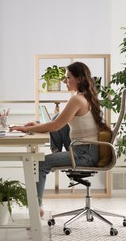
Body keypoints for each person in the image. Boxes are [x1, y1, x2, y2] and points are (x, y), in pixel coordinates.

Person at [10, 61, 111, 217]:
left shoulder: (77, 100)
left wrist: (26, 129)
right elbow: (60, 123)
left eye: (67, 77)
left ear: (78, 79)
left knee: (39, 164)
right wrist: (38, 125)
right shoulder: (84, 97)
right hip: (87, 150)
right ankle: (56, 155)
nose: (64, 81)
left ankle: (36, 210)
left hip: (84, 154)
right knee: (58, 120)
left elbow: (55, 126)